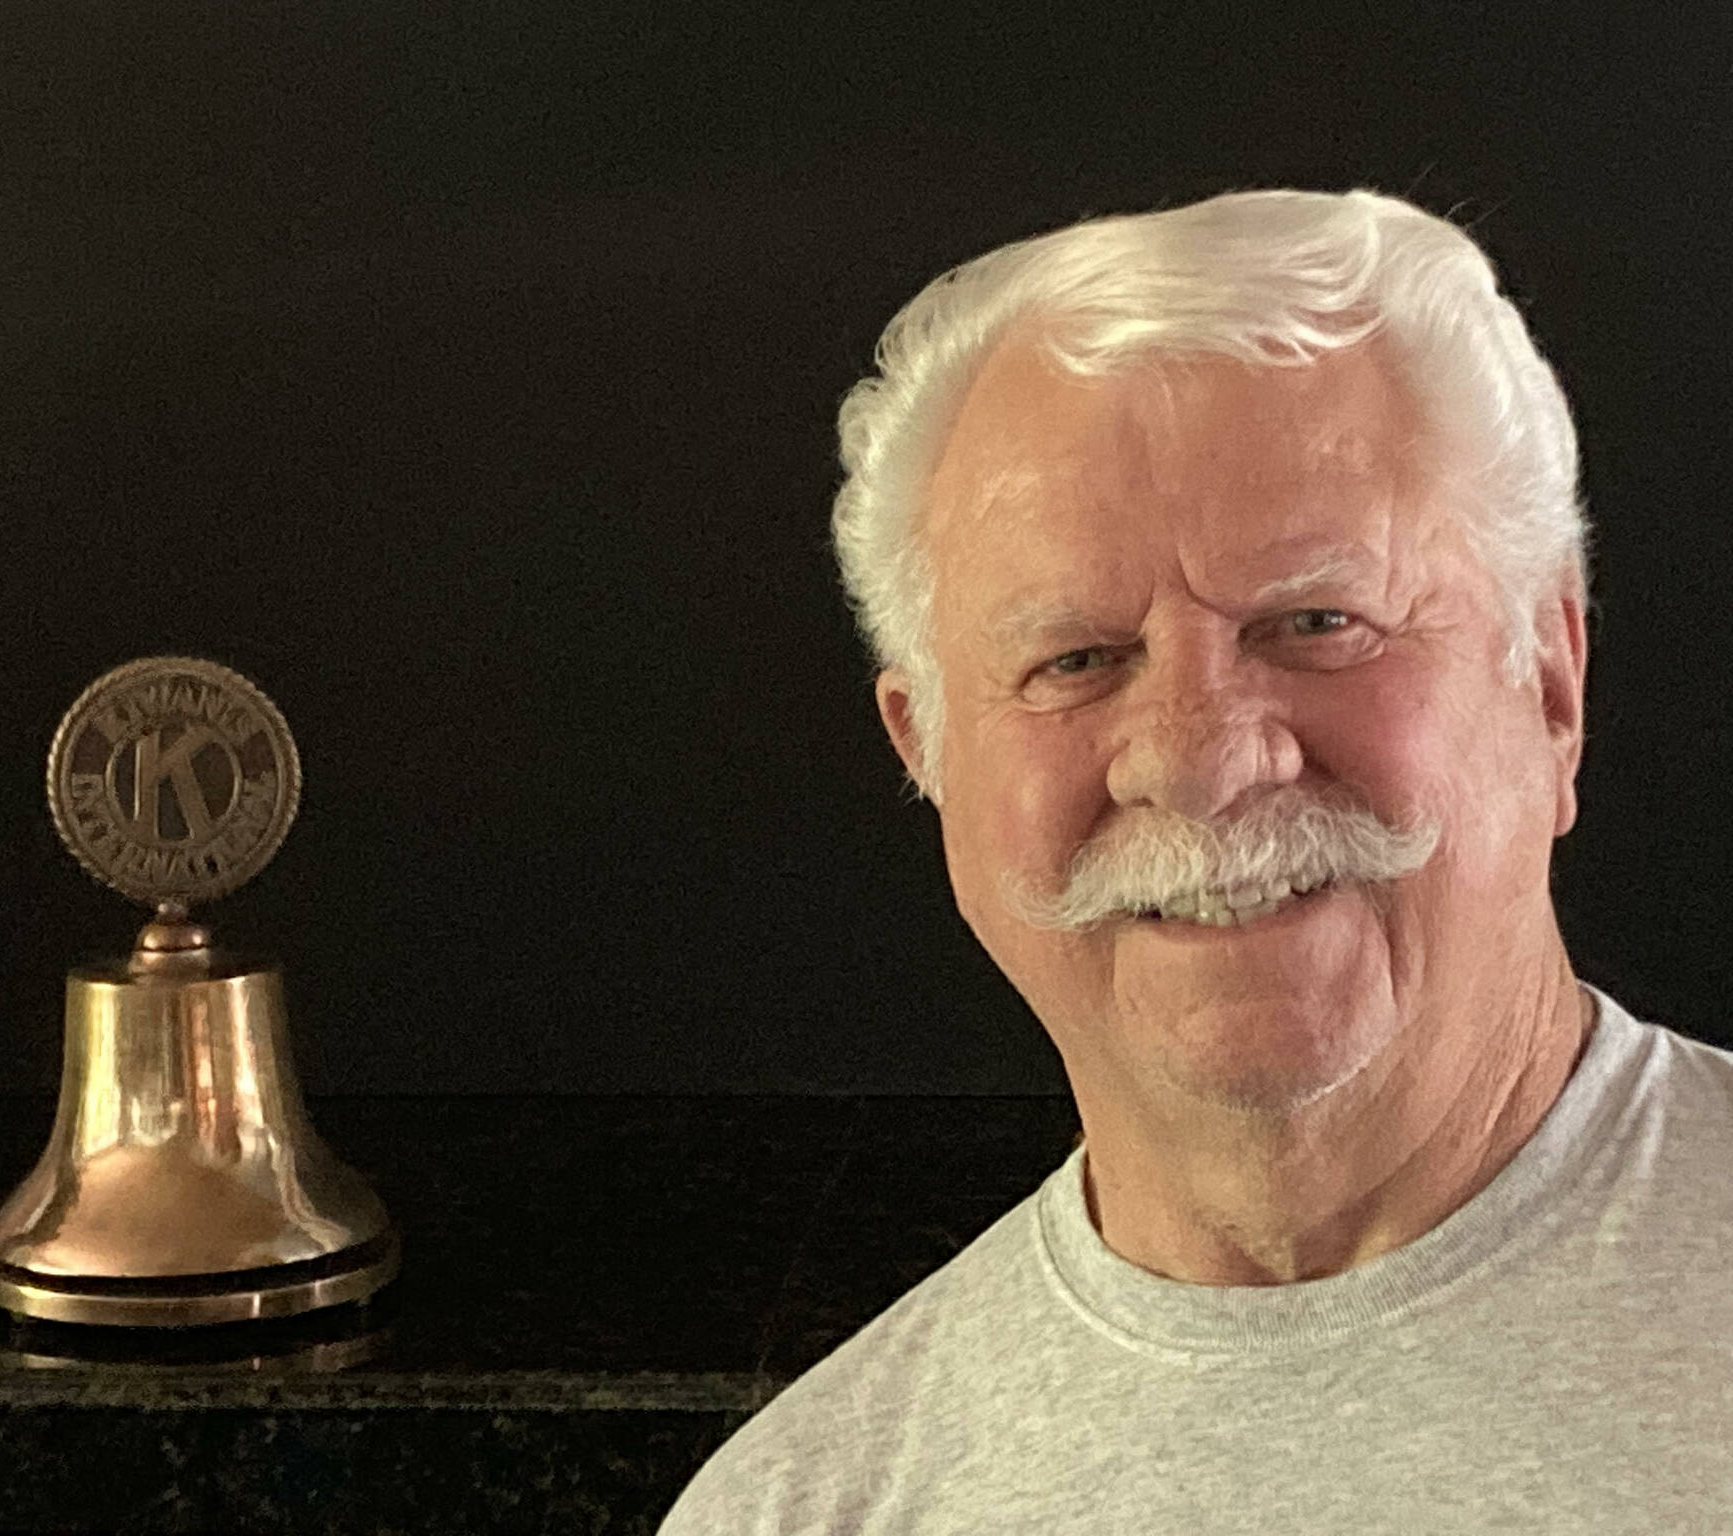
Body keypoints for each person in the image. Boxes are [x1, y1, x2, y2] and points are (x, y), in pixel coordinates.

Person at [659, 189, 1733, 1533]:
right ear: (922, 746)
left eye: (1318, 620)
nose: (1198, 758)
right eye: (1077, 660)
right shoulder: (802, 1510)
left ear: (1551, 685)